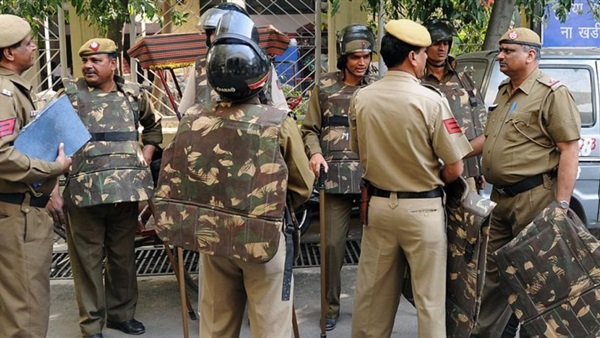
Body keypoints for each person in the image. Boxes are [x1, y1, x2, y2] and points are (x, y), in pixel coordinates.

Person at [151, 14, 313, 337]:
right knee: (271, 328)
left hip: (213, 240)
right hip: (263, 239)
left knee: (215, 328)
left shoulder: (194, 119)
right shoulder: (277, 123)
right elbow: (302, 186)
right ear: (258, 75)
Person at [348, 19, 472, 338]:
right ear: (414, 57)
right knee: (429, 302)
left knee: (372, 299)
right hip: (423, 211)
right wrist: (434, 175)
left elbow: (358, 153)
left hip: (377, 208)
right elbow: (455, 167)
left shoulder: (362, 98)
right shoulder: (431, 100)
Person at [468, 28, 581, 338]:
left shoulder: (552, 93)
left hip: (535, 198)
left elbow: (569, 148)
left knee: (537, 278)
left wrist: (560, 206)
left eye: (509, 50)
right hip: (500, 199)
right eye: (501, 50)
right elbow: (489, 137)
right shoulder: (504, 90)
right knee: (493, 275)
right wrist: (455, 151)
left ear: (530, 55)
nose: (501, 56)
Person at [48, 38, 163, 338]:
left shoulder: (133, 94)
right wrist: (52, 191)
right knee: (87, 262)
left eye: (96, 60)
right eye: (84, 59)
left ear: (114, 63)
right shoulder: (68, 97)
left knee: (122, 257)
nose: (87, 65)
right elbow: (48, 144)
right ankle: (91, 325)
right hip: (84, 194)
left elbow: (153, 127)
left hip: (125, 193)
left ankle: (121, 315)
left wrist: (146, 154)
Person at [0, 14, 72, 338]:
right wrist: (54, 168)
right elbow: (2, 155)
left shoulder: (13, 89)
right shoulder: (3, 93)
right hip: (18, 216)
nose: (34, 47)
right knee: (25, 315)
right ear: (9, 54)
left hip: (20, 211)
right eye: (28, 43)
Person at [300, 23, 375, 331]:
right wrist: (315, 153)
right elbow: (309, 130)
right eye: (355, 56)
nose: (361, 62)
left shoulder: (378, 87)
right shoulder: (325, 87)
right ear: (344, 57)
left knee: (378, 250)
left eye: (366, 56)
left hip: (373, 179)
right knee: (332, 247)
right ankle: (330, 307)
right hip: (335, 180)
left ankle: (375, 309)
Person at [178, 1, 288, 114]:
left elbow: (281, 109)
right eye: (213, 32)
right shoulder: (200, 66)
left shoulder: (262, 64)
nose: (218, 37)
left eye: (224, 32)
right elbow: (185, 111)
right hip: (212, 128)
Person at [422, 19, 487, 192]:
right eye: (436, 43)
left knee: (468, 218)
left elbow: (480, 124)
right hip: (429, 171)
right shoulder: (416, 80)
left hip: (465, 170)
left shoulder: (464, 79)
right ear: (425, 46)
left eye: (445, 43)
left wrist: (479, 168)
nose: (442, 48)